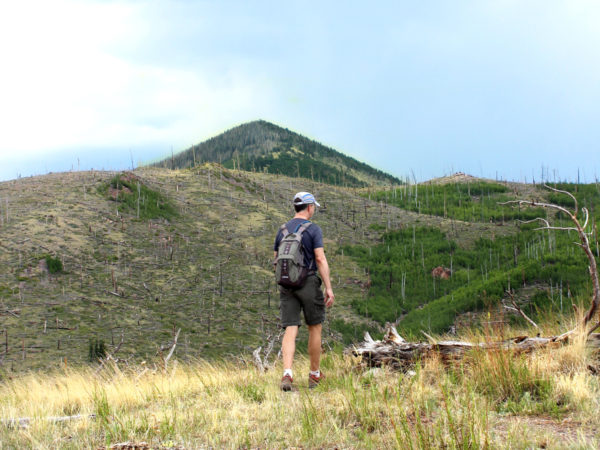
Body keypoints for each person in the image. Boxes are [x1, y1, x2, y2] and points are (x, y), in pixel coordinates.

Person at [273, 192, 335, 391]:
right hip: (307, 281)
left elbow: (276, 259)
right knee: (314, 327)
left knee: (290, 328)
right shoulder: (313, 229)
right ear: (309, 207)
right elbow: (320, 259)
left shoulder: (282, 230)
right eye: (313, 206)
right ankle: (314, 375)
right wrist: (328, 287)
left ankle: (287, 373)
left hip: (286, 283)